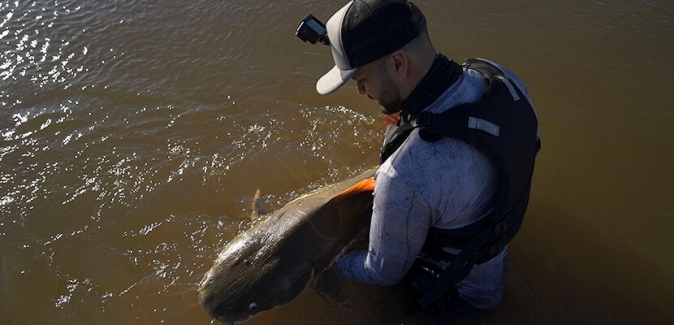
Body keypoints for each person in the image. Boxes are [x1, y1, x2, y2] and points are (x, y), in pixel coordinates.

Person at [306, 0, 540, 313]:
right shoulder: (501, 81)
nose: (361, 91)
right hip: (492, 252)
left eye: (361, 79)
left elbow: (383, 271)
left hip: (458, 295)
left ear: (398, 64)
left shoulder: (406, 175)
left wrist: (320, 266)